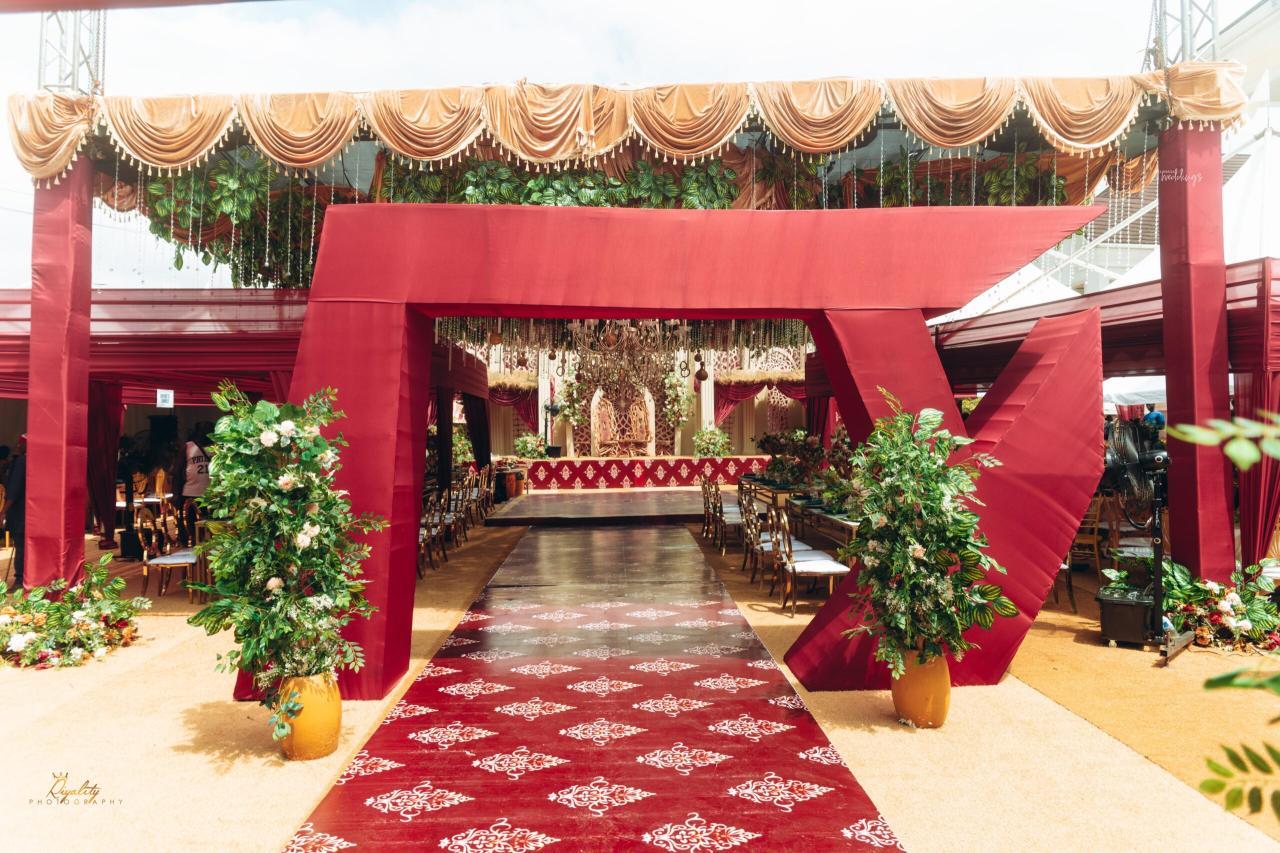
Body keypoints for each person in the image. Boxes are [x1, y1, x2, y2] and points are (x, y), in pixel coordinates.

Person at [171, 423, 212, 547]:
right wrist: (176, 493)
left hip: (209, 494)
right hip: (193, 493)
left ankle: (202, 549)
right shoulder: (189, 446)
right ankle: (194, 548)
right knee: (194, 527)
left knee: (207, 527)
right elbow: (178, 470)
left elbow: (178, 471)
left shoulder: (217, 447)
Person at [1, 435, 27, 588]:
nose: (18, 446)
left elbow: (14, 489)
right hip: (29, 511)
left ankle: (20, 579)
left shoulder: (21, 461)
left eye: (20, 444)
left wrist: (3, 511)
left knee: (21, 546)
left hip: (20, 513)